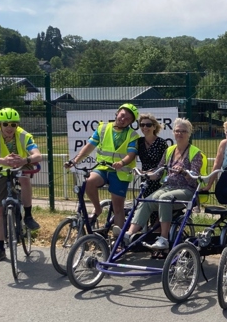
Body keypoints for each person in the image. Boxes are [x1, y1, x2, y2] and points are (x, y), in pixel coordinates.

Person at [124, 118, 206, 250]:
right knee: (146, 201)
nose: (180, 134)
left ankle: (164, 239)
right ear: (173, 132)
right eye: (177, 131)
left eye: (183, 131)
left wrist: (184, 172)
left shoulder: (195, 153)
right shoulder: (170, 150)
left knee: (164, 199)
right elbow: (159, 171)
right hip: (168, 187)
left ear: (189, 133)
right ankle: (129, 234)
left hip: (187, 190)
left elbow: (195, 178)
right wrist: (144, 173)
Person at [0, 107, 43, 264]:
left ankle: (28, 215)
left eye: (13, 124)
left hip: (20, 165)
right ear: (0, 124)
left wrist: (24, 160)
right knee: (0, 210)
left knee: (25, 179)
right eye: (5, 124)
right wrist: (1, 161)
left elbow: (38, 155)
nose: (9, 128)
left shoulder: (24, 135)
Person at [64, 103, 141, 230]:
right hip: (102, 168)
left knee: (118, 208)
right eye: (122, 115)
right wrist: (75, 161)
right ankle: (98, 209)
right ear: (117, 113)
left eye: (128, 119)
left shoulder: (132, 135)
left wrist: (121, 163)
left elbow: (131, 154)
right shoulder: (103, 128)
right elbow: (89, 146)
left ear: (131, 122)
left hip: (120, 172)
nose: (123, 119)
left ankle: (118, 240)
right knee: (89, 182)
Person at [135, 113, 168, 197]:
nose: (145, 127)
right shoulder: (139, 142)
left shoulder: (161, 143)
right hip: (145, 177)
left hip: (158, 178)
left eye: (148, 125)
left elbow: (166, 162)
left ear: (154, 127)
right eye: (142, 125)